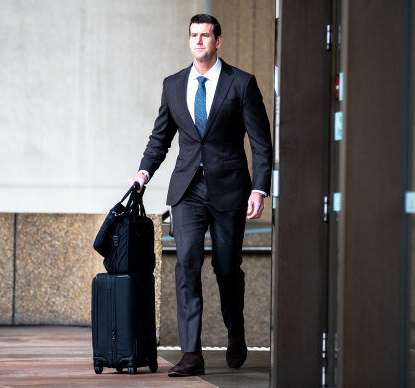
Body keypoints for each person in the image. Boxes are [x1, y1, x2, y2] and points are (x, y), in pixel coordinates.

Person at [128, 13, 272, 377]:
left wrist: (259, 187)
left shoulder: (241, 83)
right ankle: (191, 353)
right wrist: (144, 172)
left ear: (218, 41)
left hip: (229, 190)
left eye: (205, 36)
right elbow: (160, 137)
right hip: (187, 190)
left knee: (226, 268)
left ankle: (235, 332)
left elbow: (260, 142)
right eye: (193, 36)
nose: (199, 42)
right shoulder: (174, 84)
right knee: (186, 265)